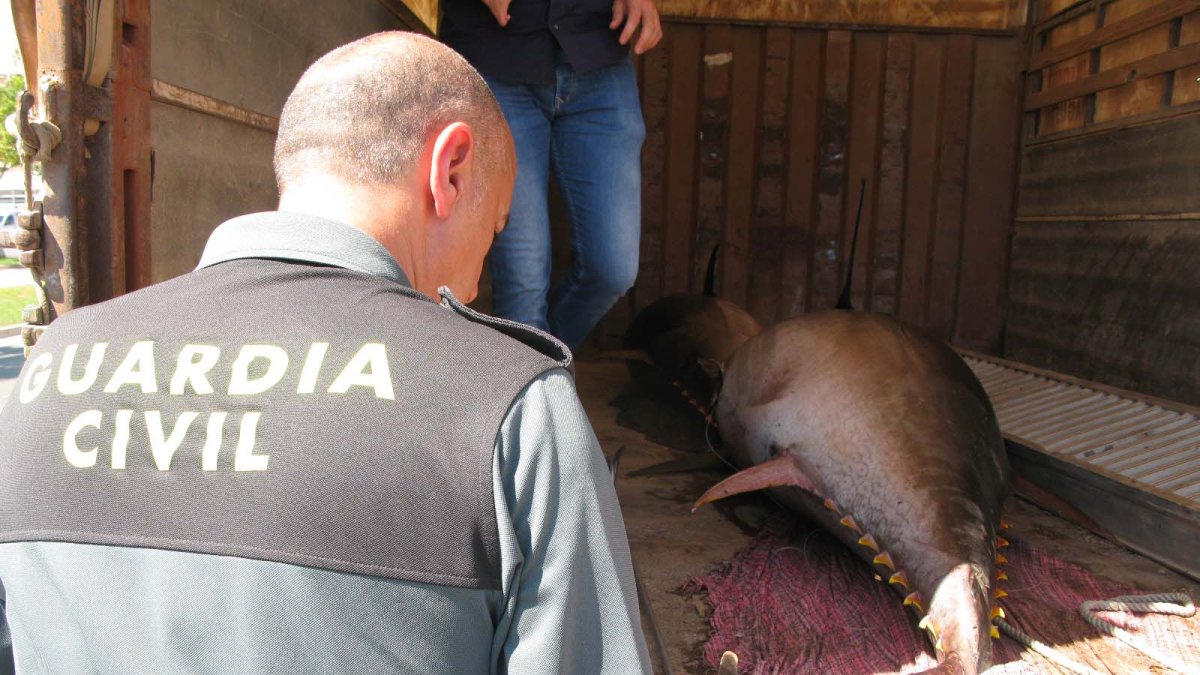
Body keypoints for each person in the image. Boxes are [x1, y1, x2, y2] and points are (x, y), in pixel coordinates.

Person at [0, 32, 650, 674]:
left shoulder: (47, 371)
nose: (479, 282)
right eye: (494, 229)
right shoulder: (509, 409)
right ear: (449, 170)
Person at [440, 0, 662, 350]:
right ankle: (533, 392)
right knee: (523, 282)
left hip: (599, 54)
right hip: (499, 58)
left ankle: (537, 368)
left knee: (613, 270)